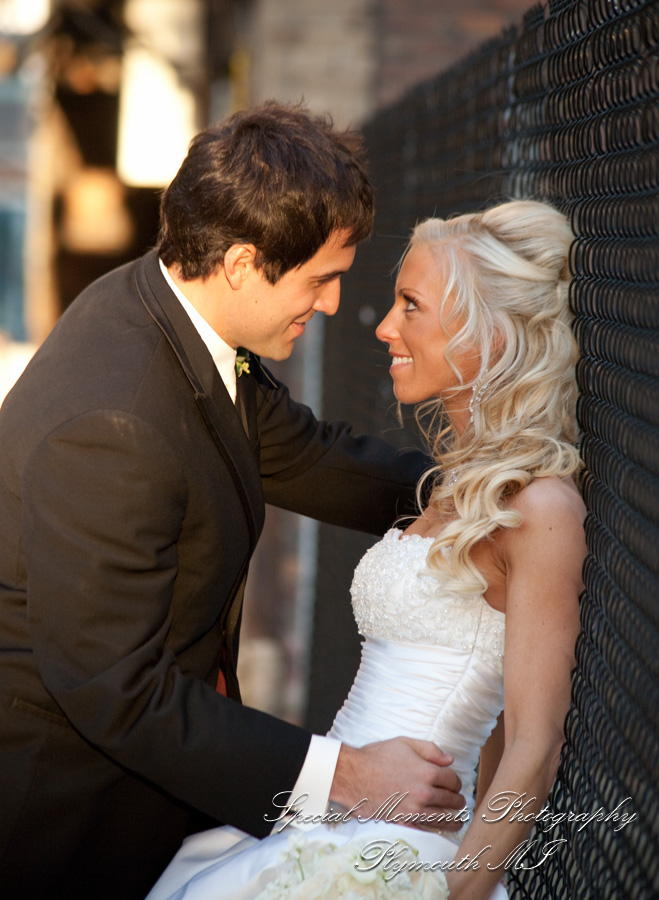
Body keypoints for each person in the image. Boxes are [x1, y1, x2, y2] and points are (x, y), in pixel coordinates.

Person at [0, 102, 468, 900]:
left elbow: (302, 452)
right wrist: (347, 774)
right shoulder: (115, 424)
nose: (330, 306)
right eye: (320, 279)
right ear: (245, 262)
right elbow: (119, 691)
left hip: (155, 786)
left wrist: (474, 496)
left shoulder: (166, 307)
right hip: (58, 825)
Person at [146, 199, 587, 900]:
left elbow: (531, 746)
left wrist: (457, 888)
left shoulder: (538, 509)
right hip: (324, 816)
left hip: (401, 852)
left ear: (488, 333)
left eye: (410, 305)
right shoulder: (452, 491)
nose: (382, 327)